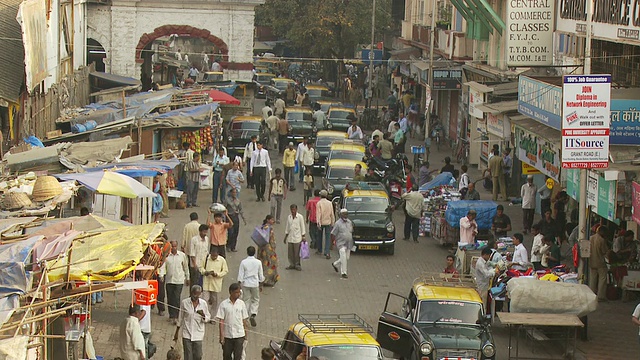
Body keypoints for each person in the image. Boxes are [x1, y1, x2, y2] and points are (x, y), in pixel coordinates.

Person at [174, 285, 210, 360]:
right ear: (191, 292)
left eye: (198, 294)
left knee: (198, 355)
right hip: (187, 333)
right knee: (188, 356)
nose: (196, 296)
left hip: (198, 334)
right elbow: (180, 317)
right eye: (194, 294)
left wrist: (203, 315)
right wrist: (177, 332)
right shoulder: (185, 302)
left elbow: (207, 317)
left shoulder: (203, 304)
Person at [216, 283, 249, 360]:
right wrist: (221, 336)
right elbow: (221, 321)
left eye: (239, 292)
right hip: (228, 336)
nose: (238, 294)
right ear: (231, 292)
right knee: (226, 356)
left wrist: (246, 334)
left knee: (238, 356)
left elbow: (244, 320)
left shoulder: (241, 304)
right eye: (236, 292)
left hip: (239, 335)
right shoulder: (224, 304)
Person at [158, 241, 189, 324]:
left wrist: (188, 277)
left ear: (177, 246)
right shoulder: (167, 257)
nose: (174, 248)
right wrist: (161, 276)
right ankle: (171, 315)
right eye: (172, 246)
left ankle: (176, 316)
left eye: (175, 246)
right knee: (170, 298)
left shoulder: (182, 255)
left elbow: (185, 267)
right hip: (169, 280)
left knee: (176, 298)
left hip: (179, 280)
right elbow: (163, 267)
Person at [238, 246, 264, 327]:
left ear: (247, 252)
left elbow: (240, 274)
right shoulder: (258, 262)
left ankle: (245, 317)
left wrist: (239, 284)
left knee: (246, 300)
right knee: (255, 299)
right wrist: (261, 284)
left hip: (246, 283)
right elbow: (260, 274)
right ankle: (253, 314)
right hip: (255, 283)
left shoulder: (243, 262)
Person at [200, 247, 228, 316]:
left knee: (215, 302)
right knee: (204, 300)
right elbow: (201, 267)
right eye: (212, 256)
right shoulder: (206, 258)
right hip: (206, 283)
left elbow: (225, 271)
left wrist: (217, 274)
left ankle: (213, 317)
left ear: (218, 254)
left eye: (215, 256)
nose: (214, 257)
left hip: (216, 284)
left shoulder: (222, 260)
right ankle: (205, 316)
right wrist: (205, 272)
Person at [257, 215, 280, 286]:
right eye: (272, 219)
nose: (273, 221)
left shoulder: (264, 227)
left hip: (264, 249)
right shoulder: (268, 228)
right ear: (268, 220)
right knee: (269, 264)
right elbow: (270, 240)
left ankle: (264, 279)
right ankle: (267, 280)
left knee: (265, 264)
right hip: (268, 250)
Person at [331, 209, 354, 279]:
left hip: (349, 243)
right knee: (343, 256)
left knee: (346, 258)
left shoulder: (349, 222)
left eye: (346, 214)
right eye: (344, 214)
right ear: (340, 215)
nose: (345, 215)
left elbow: (351, 231)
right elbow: (333, 234)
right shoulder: (337, 223)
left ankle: (335, 264)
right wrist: (332, 243)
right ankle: (344, 272)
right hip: (341, 243)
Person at [589, 226, 610, 301]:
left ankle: (591, 294)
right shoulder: (602, 240)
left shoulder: (590, 238)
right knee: (602, 278)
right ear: (602, 232)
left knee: (592, 278)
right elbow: (605, 251)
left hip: (591, 261)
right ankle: (600, 296)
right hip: (600, 262)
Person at [284, 204, 306, 271]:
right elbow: (287, 227)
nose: (293, 211)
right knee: (290, 253)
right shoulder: (289, 217)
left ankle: (297, 265)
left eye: (294, 209)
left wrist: (303, 236)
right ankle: (292, 264)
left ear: (296, 209)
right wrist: (285, 237)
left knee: (297, 253)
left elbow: (302, 226)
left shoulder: (300, 217)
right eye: (292, 209)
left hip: (297, 238)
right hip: (290, 238)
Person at [316, 190, 336, 259]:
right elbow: (332, 214)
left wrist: (318, 223)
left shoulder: (319, 203)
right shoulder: (330, 203)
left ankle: (319, 250)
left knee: (320, 236)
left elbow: (318, 214)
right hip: (328, 222)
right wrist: (333, 222)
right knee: (327, 238)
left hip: (321, 222)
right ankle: (327, 252)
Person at [225, 188, 246, 253]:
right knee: (230, 232)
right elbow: (224, 209)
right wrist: (223, 218)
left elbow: (241, 210)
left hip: (236, 217)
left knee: (235, 232)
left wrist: (244, 219)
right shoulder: (227, 200)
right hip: (229, 217)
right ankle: (228, 245)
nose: (234, 194)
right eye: (233, 192)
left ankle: (233, 247)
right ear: (231, 193)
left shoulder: (238, 201)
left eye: (235, 192)